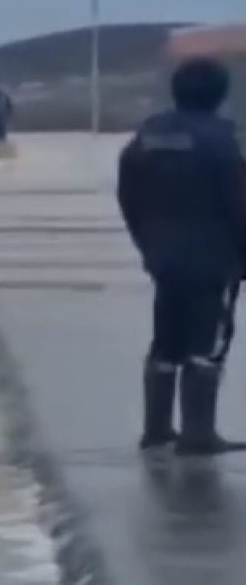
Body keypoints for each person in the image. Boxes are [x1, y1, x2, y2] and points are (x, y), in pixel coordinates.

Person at [117, 56, 246, 454]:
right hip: (215, 259)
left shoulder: (148, 135)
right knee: (208, 342)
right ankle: (198, 433)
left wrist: (146, 243)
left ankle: (156, 428)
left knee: (167, 338)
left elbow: (128, 194)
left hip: (163, 257)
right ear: (220, 95)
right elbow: (239, 203)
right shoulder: (224, 139)